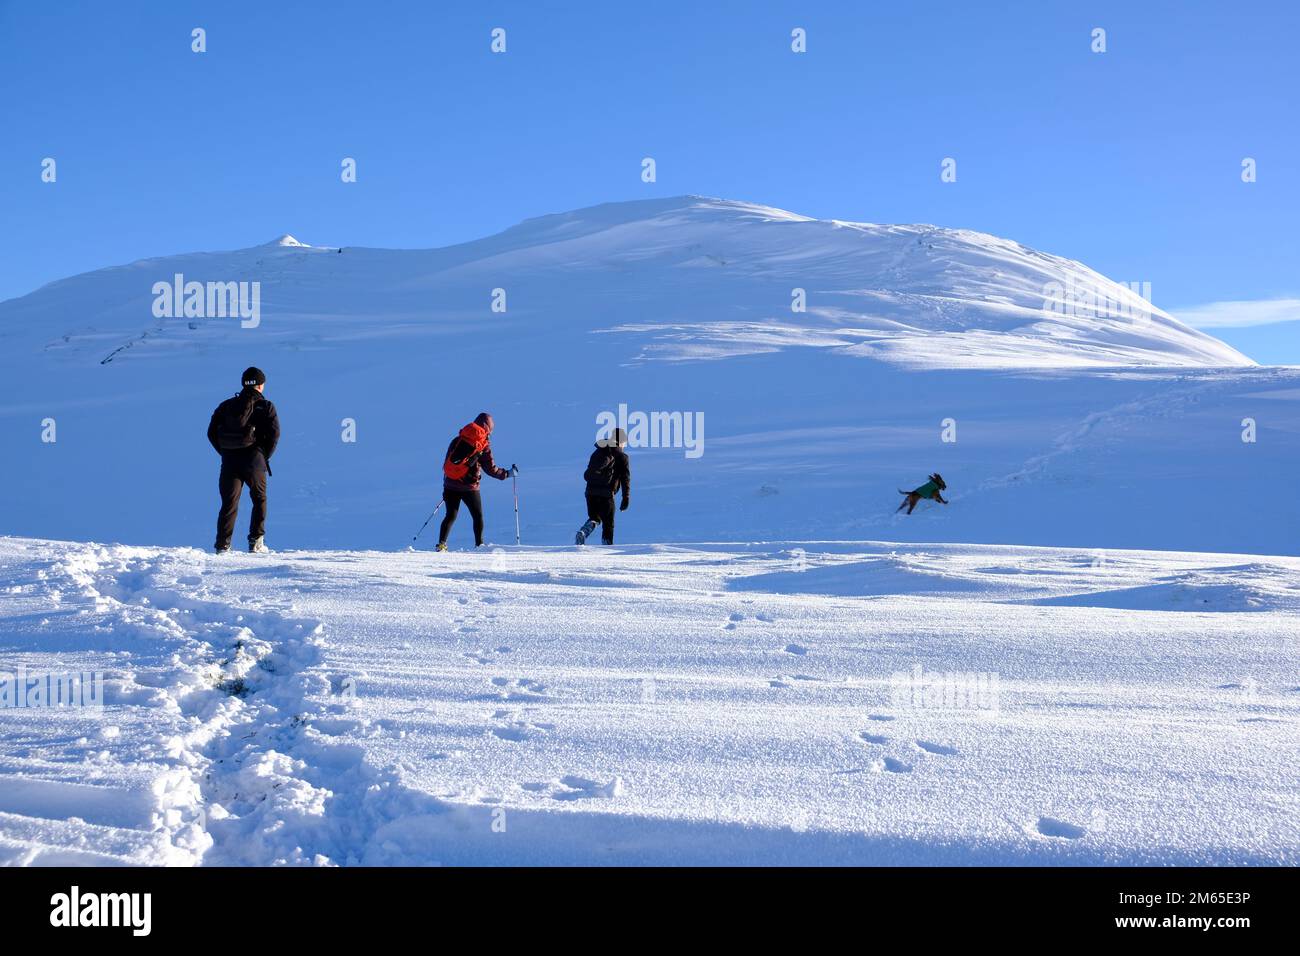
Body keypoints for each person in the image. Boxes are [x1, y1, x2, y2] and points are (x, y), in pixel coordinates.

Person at [208, 367, 280, 553]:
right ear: (261, 385)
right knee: (259, 498)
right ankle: (256, 542)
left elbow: (211, 433)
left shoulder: (226, 406)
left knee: (229, 503)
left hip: (229, 460)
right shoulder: (265, 406)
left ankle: (223, 545)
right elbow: (274, 435)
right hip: (254, 460)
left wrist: (225, 452)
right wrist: (263, 456)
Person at [437, 412, 515, 551]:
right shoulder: (483, 446)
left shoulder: (457, 440)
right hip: (470, 487)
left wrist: (447, 483)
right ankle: (479, 545)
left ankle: (441, 544)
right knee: (477, 516)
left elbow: (447, 464)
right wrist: (506, 474)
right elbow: (491, 469)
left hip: (451, 484)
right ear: (488, 428)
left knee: (450, 515)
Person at [576, 428, 631, 545]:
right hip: (606, 494)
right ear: (621, 441)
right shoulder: (622, 457)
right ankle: (607, 547)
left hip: (590, 492)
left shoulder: (598, 452)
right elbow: (625, 479)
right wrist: (625, 498)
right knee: (608, 524)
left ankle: (584, 532)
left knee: (595, 518)